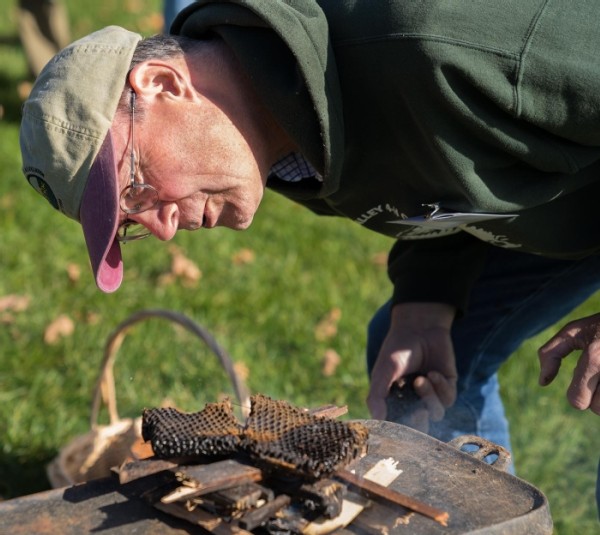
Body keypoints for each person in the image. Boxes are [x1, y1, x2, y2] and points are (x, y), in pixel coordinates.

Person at [19, 0, 600, 512]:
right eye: (133, 223)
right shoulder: (282, 138)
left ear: (164, 84)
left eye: (135, 189)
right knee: (420, 349)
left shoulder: (436, 42)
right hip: (560, 198)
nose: (163, 229)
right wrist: (429, 296)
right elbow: (444, 174)